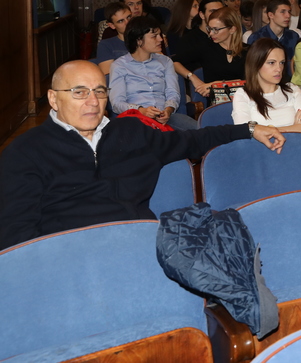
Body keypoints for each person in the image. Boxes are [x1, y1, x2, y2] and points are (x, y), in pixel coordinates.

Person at [0, 60, 285, 250]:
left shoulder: (131, 133)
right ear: (53, 98)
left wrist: (250, 129)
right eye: (79, 92)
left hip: (142, 247)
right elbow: (16, 236)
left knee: (233, 236)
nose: (92, 102)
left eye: (99, 91)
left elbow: (194, 140)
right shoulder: (25, 152)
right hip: (73, 256)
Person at [109, 16, 199, 130]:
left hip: (165, 116)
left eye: (160, 35)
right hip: (135, 119)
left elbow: (173, 93)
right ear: (139, 40)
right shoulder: (119, 65)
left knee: (200, 131)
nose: (160, 39)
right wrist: (141, 110)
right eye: (154, 36)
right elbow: (117, 103)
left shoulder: (165, 61)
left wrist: (168, 110)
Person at [232, 38, 301, 133]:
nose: (279, 69)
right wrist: (294, 127)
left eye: (282, 62)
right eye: (271, 63)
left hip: (295, 142)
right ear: (256, 64)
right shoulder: (243, 95)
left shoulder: (292, 89)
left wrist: (264, 130)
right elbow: (245, 132)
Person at [173, 6, 246, 99]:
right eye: (209, 28)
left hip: (243, 100)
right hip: (216, 102)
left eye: (216, 29)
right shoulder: (206, 47)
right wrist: (193, 78)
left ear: (232, 29)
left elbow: (251, 83)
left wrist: (216, 85)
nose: (211, 33)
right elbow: (174, 62)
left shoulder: (249, 51)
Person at [247, 0, 300, 82]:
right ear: (271, 15)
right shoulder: (257, 37)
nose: (288, 16)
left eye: (289, 12)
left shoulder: (293, 36)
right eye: (283, 12)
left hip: (290, 82)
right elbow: (251, 68)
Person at [96, 2, 132, 74]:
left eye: (129, 17)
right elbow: (108, 75)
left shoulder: (146, 39)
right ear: (112, 25)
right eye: (121, 21)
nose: (128, 22)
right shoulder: (106, 45)